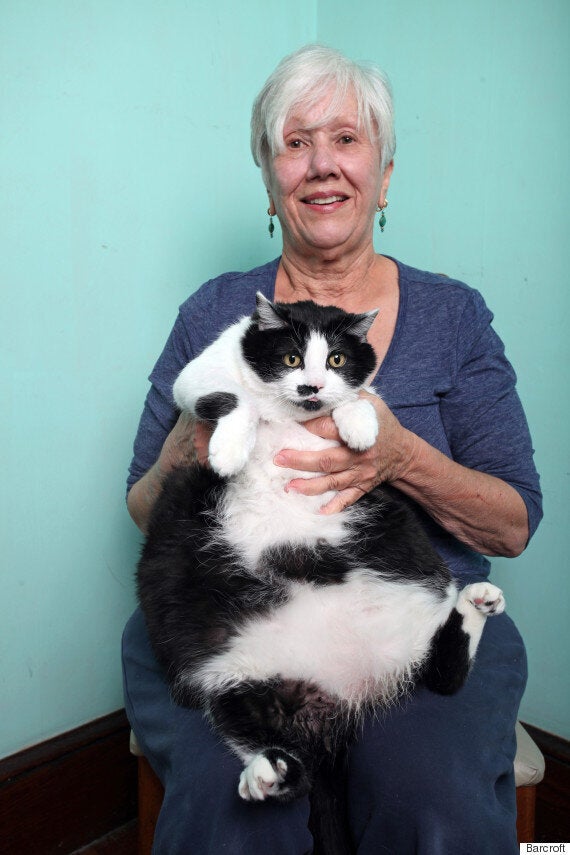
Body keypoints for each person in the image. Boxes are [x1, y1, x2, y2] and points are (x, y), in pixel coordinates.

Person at [122, 44, 542, 854]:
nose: (322, 165)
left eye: (347, 140)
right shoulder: (215, 313)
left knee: (433, 802)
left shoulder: (454, 317)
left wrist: (400, 457)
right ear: (270, 182)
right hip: (232, 611)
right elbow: (143, 507)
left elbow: (514, 524)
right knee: (231, 805)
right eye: (295, 142)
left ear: (384, 177)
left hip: (400, 611)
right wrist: (196, 434)